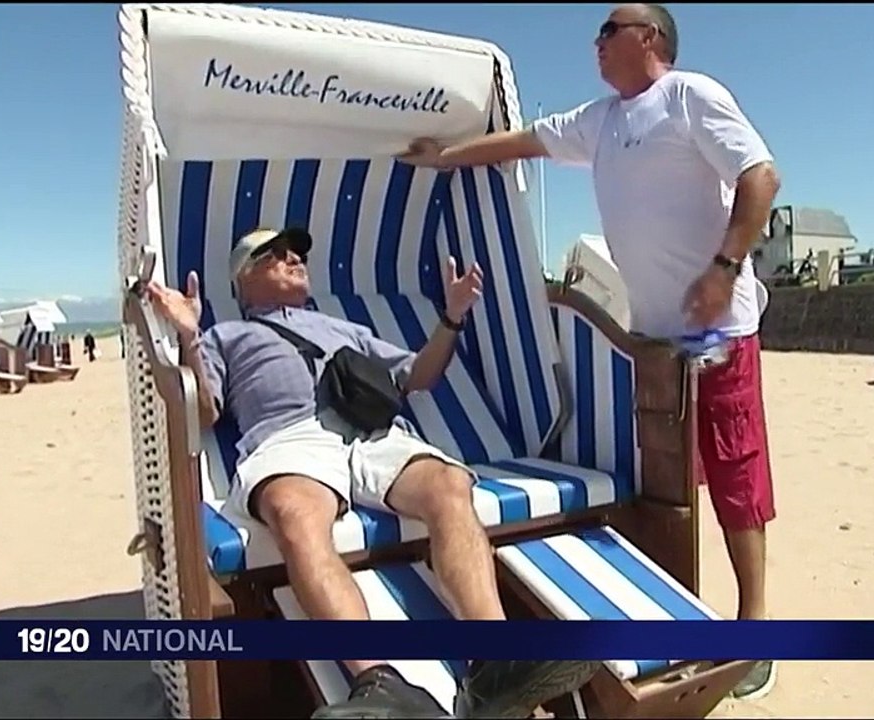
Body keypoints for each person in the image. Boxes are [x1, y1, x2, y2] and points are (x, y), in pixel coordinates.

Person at [400, 3, 782, 700]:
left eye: (609, 29)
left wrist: (724, 270)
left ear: (649, 38)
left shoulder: (692, 96)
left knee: (736, 477)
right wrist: (446, 158)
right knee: (670, 484)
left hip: (721, 332)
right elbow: (522, 143)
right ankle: (680, 610)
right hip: (652, 339)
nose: (595, 42)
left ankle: (754, 629)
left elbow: (761, 177)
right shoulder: (599, 121)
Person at [144, 227, 602, 719]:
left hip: (374, 434)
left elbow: (419, 376)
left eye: (298, 253)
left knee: (449, 484)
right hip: (290, 440)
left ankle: (495, 661)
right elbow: (204, 414)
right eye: (275, 254)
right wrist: (190, 336)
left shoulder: (344, 328)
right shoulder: (225, 336)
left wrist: (452, 316)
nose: (295, 258)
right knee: (293, 513)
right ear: (243, 278)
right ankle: (378, 683)